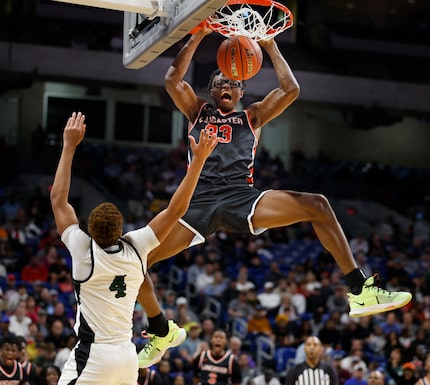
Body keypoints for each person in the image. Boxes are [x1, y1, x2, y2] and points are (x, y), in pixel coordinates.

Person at [136, 24, 412, 366]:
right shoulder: (197, 112)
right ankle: (161, 329)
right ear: (210, 91)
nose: (227, 86)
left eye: (234, 83)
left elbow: (290, 89)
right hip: (197, 200)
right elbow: (172, 81)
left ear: (242, 91)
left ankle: (359, 290)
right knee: (133, 262)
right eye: (221, 82)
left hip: (241, 196)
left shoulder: (253, 116)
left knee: (318, 205)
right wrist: (198, 36)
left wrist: (269, 46)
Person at [49, 112, 218, 385]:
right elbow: (176, 210)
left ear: (90, 231)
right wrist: (198, 161)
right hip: (127, 356)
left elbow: (58, 199)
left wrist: (69, 145)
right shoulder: (137, 246)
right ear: (121, 230)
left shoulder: (84, 251)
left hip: (93, 355)